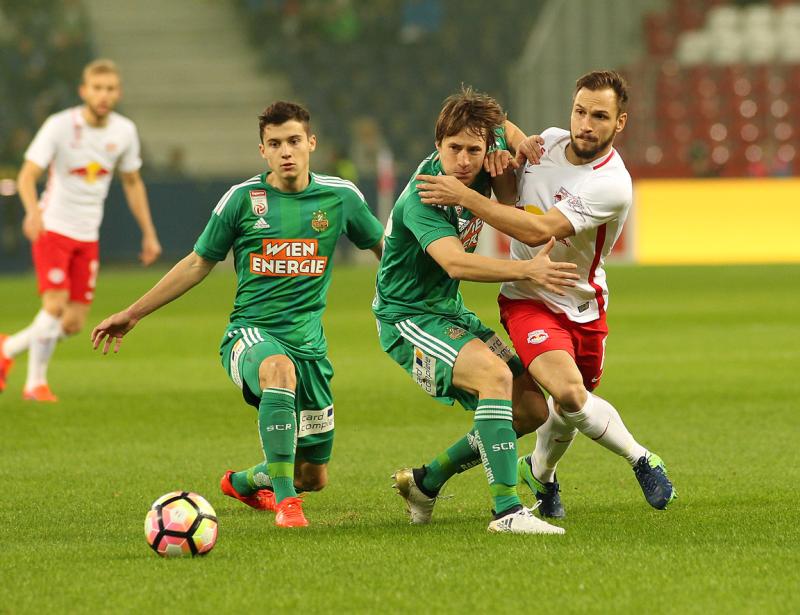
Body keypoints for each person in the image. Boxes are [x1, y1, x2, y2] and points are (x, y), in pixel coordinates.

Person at [91, 101, 384, 529]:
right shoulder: (243, 200)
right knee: (278, 370)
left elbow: (386, 252)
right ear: (263, 150)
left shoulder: (340, 197)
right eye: (275, 144)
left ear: (311, 143)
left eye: (294, 141)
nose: (286, 151)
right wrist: (134, 313)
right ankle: (287, 504)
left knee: (313, 476)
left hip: (310, 346)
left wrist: (413, 298)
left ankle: (243, 482)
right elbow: (197, 263)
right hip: (251, 335)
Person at [415, 70, 676, 518]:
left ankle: (541, 473)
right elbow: (498, 129)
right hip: (527, 297)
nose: (585, 125)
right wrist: (507, 151)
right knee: (569, 393)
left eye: (599, 116)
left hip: (583, 301)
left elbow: (538, 230)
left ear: (620, 122)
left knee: (567, 407)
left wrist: (466, 196)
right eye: (580, 111)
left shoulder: (611, 183)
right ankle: (641, 458)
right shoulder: (548, 143)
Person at [374, 86, 579, 535]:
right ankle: (507, 511)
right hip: (408, 318)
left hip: (447, 310)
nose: (464, 160)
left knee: (531, 409)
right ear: (437, 144)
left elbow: (502, 124)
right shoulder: (425, 195)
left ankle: (426, 482)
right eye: (454, 148)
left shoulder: (487, 149)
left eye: (473, 150)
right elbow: (455, 263)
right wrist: (528, 271)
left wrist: (519, 141)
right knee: (495, 376)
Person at [0, 59, 161, 401]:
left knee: (72, 323)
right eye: (97, 88)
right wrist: (32, 213)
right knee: (54, 306)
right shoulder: (59, 126)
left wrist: (148, 232)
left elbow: (132, 182)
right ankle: (35, 384)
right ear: (84, 91)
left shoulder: (124, 131)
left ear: (118, 93)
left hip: (87, 235)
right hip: (53, 228)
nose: (104, 95)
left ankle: (7, 349)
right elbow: (27, 175)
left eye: (110, 89)